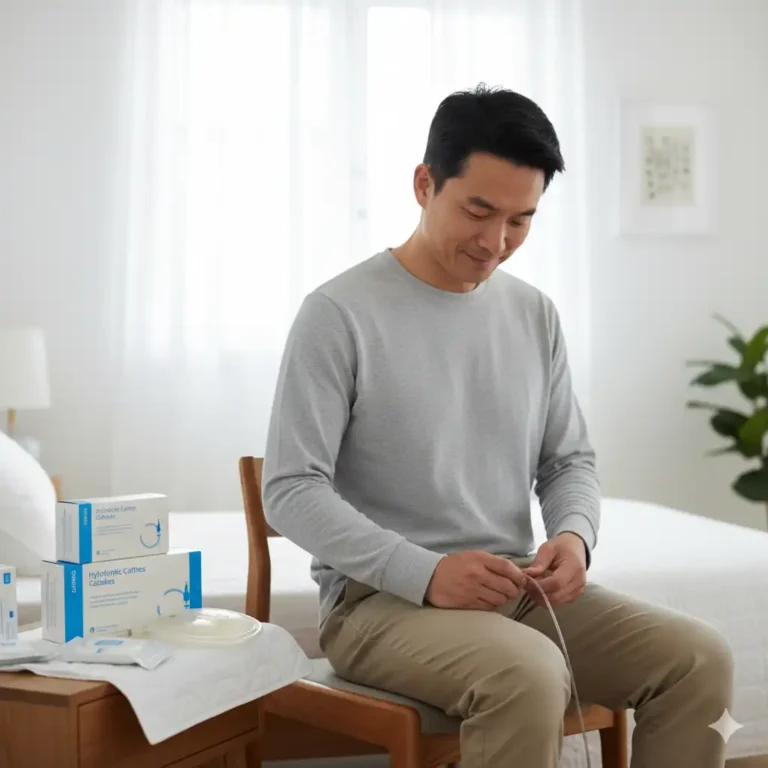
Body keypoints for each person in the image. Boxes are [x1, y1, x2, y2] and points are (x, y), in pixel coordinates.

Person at [262, 84, 734, 768]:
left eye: (520, 220)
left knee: (700, 660)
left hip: (515, 590)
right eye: (478, 211)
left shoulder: (533, 314)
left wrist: (574, 536)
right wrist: (425, 573)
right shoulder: (339, 313)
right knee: (528, 671)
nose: (495, 243)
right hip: (377, 605)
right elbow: (292, 489)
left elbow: (568, 460)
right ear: (425, 184)